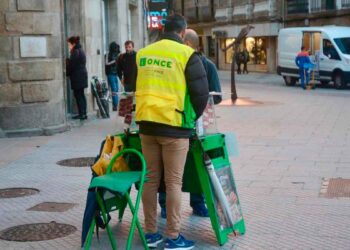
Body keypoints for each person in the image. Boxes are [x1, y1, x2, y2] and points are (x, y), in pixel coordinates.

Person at [135, 14, 209, 250]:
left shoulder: (143, 54)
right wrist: (190, 119)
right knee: (174, 182)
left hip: (146, 126)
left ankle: (150, 233)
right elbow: (201, 95)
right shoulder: (187, 54)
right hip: (174, 128)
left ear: (163, 29)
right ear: (183, 31)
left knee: (150, 179)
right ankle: (174, 237)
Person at [158, 28, 222, 219]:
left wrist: (197, 105)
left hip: (198, 124)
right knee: (167, 166)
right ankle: (165, 205)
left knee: (198, 164)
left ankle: (198, 202)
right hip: (173, 123)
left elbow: (216, 95)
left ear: (187, 44)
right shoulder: (173, 62)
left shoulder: (207, 65)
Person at [66, 36, 88, 120]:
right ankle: (83, 113)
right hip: (81, 75)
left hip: (78, 76)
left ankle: (82, 114)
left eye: (69, 44)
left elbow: (72, 65)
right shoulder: (80, 50)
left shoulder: (75, 51)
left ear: (73, 44)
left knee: (78, 95)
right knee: (81, 95)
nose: (69, 46)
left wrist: (67, 71)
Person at [105, 42, 120, 111]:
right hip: (111, 73)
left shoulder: (115, 54)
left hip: (114, 73)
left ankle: (115, 105)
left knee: (115, 90)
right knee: (114, 90)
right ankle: (115, 106)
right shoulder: (109, 54)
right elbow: (107, 63)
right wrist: (113, 62)